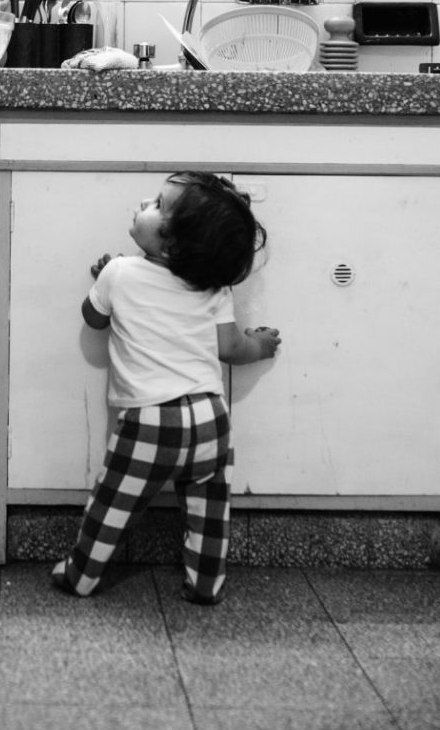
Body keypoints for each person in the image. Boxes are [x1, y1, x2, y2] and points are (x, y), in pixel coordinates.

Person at [52, 171, 281, 606]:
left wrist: (102, 281)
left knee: (112, 506)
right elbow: (231, 348)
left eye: (157, 204)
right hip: (210, 417)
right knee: (210, 511)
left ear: (171, 242)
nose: (144, 203)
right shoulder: (214, 287)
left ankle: (80, 576)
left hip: (150, 421)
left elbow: (93, 319)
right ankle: (206, 583)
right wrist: (262, 344)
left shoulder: (119, 273)